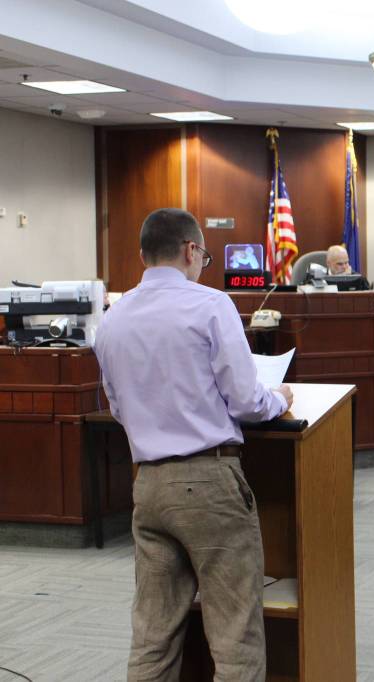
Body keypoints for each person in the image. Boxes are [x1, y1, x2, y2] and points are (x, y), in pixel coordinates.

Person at [95, 208, 293, 681]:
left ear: (144, 255)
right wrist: (277, 398)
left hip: (149, 488)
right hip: (210, 485)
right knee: (234, 634)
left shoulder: (112, 319)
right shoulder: (210, 304)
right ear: (190, 250)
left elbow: (120, 409)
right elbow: (245, 399)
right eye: (203, 255)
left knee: (153, 636)